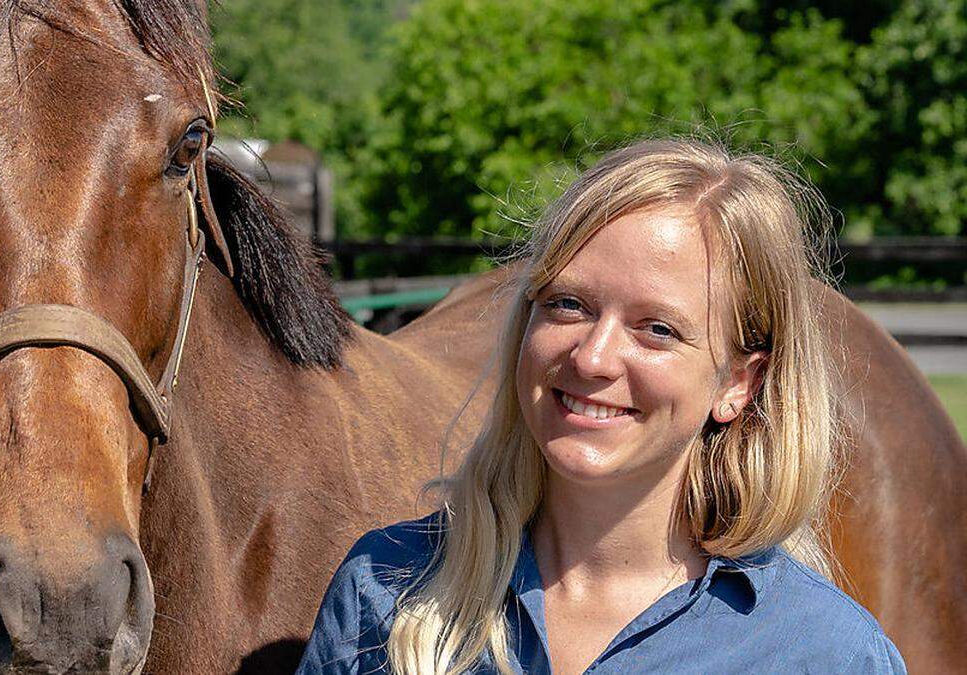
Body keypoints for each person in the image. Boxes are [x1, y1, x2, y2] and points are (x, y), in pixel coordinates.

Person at [296, 138, 906, 674]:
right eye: (568, 305)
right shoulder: (386, 591)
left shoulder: (825, 654)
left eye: (657, 329)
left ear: (737, 384)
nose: (593, 357)